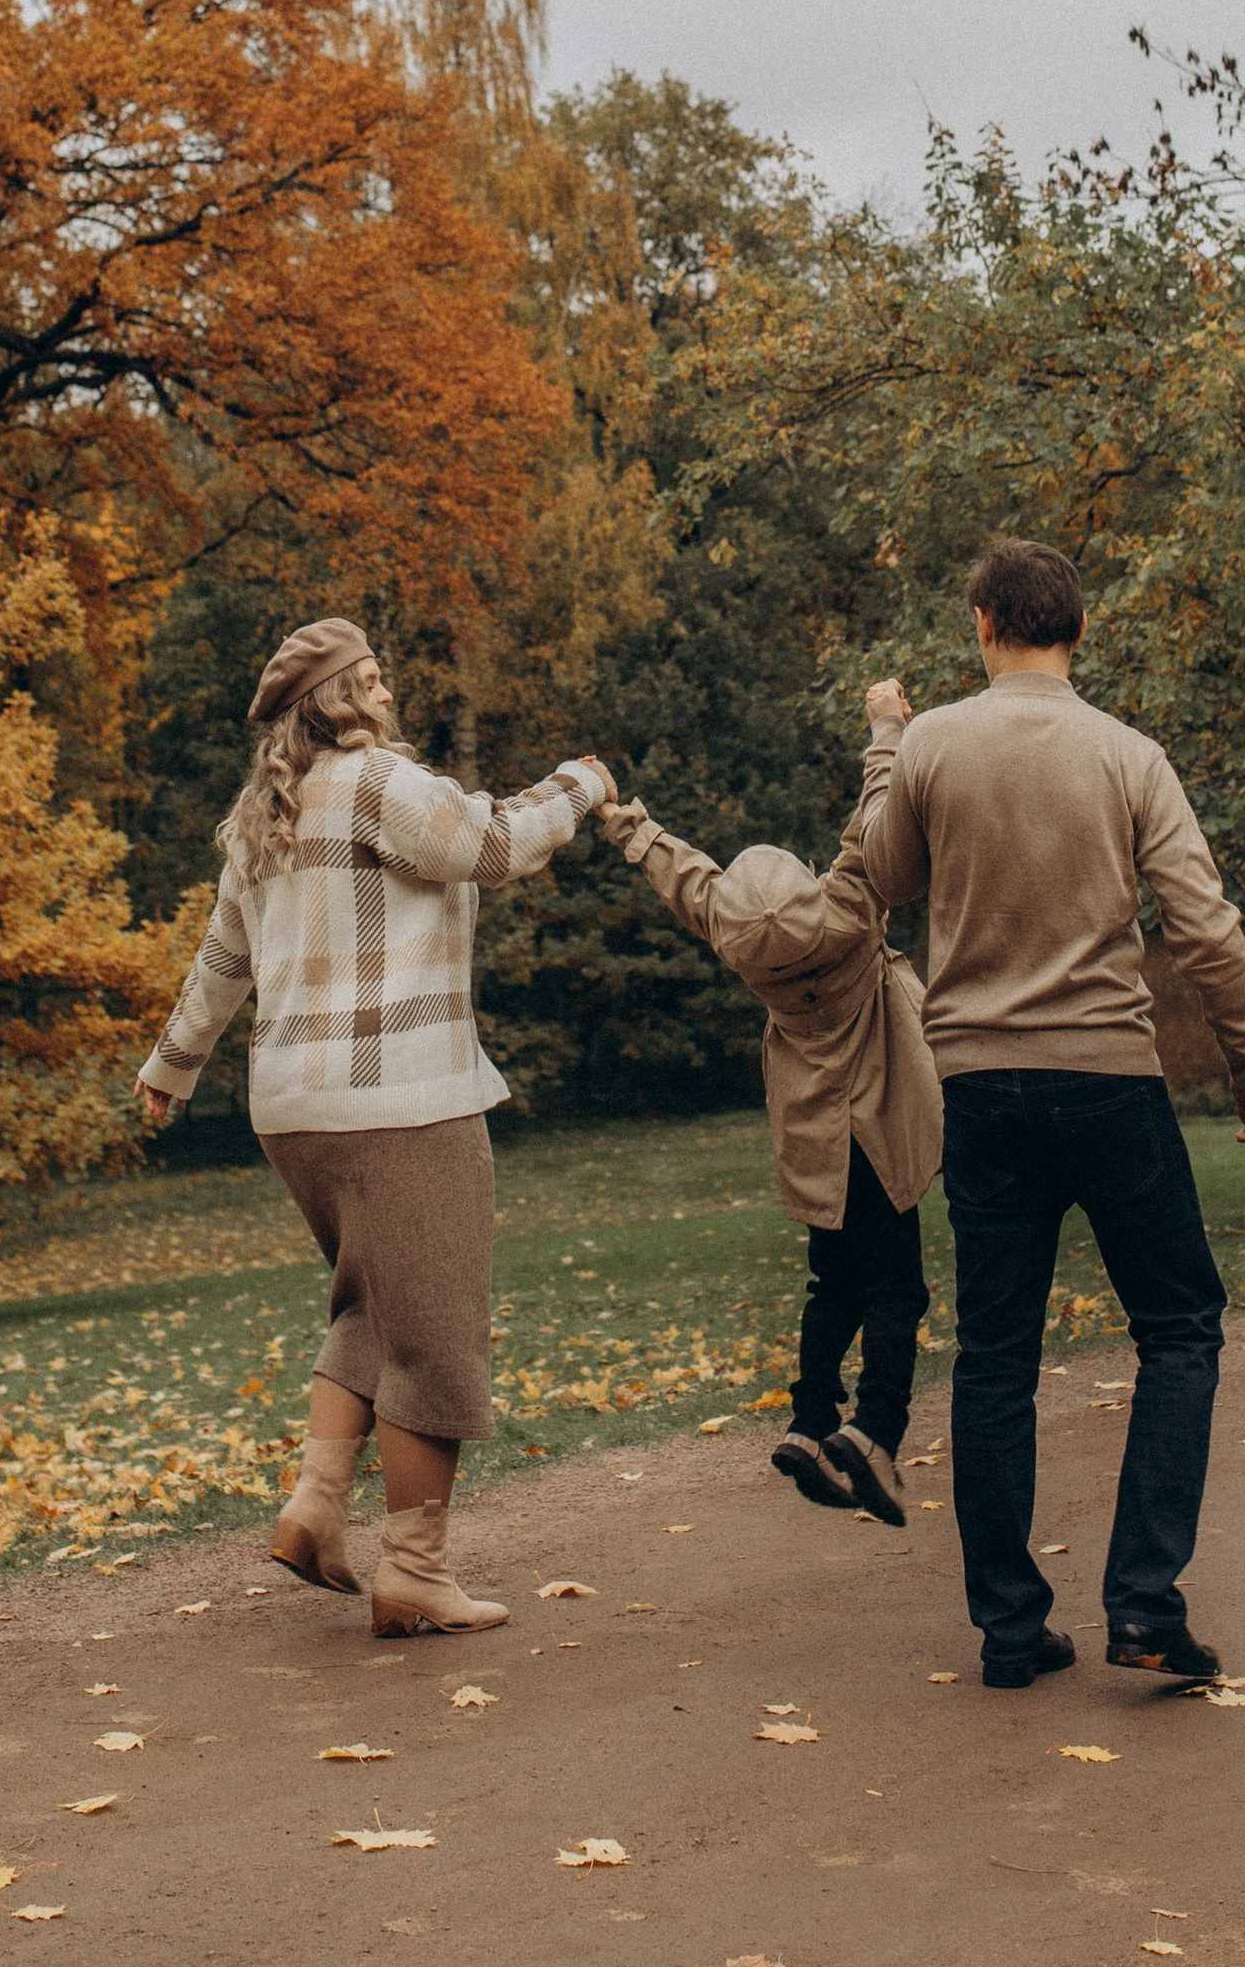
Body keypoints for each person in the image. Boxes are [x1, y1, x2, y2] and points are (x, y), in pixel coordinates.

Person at [134, 617, 611, 1638]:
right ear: (341, 699)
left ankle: (313, 1508)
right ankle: (415, 1570)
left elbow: (223, 962)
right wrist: (580, 785)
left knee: (371, 1307)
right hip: (402, 1100)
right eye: (374, 681)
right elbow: (493, 844)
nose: (389, 695)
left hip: (294, 1111)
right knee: (435, 1336)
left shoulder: (260, 817)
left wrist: (172, 1064)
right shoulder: (377, 785)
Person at [858, 538, 1245, 1691]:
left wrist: (887, 740)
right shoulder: (1129, 755)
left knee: (996, 1353)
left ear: (983, 625)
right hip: (1108, 1082)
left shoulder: (935, 741)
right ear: (1075, 632)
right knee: (1180, 1326)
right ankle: (1142, 1600)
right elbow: (1203, 926)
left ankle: (1009, 1629)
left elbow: (879, 877)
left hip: (979, 1090)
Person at [592, 680, 941, 1527]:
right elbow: (876, 811)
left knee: (833, 1285)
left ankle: (811, 1416)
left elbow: (684, 877)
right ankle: (874, 1432)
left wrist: (622, 818)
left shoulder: (735, 940)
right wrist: (886, 722)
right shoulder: (852, 910)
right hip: (882, 1126)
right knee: (898, 1290)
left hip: (815, 1134)